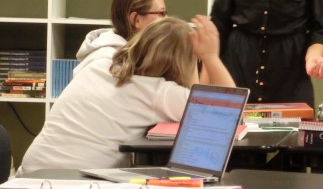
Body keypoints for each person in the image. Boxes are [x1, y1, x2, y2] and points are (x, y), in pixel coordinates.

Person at [17, 15, 235, 175]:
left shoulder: (101, 63)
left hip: (29, 173)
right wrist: (210, 57)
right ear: (182, 64)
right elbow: (229, 112)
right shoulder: (159, 93)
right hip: (75, 185)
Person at [74, 0, 166, 76]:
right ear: (136, 20)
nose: (166, 20)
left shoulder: (145, 56)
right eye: (162, 13)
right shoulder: (105, 63)